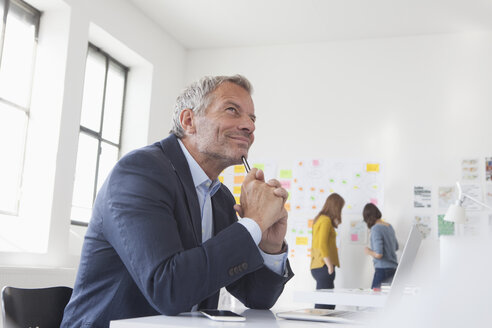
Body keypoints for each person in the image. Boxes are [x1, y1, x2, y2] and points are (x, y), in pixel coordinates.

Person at [61, 75, 294, 327]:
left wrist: (269, 245)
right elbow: (168, 290)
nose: (249, 126)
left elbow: (257, 297)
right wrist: (253, 223)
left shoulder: (220, 196)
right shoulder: (139, 172)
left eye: (252, 118)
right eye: (232, 110)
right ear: (189, 120)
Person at [310, 193, 344, 309]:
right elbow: (322, 244)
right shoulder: (325, 221)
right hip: (323, 265)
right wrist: (329, 265)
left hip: (318, 265)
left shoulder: (320, 219)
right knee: (324, 304)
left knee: (326, 301)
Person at [362, 203, 399, 291]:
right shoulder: (389, 226)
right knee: (387, 300)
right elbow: (396, 247)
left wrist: (368, 251)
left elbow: (379, 254)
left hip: (382, 270)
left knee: (373, 300)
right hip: (393, 269)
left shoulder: (375, 229)